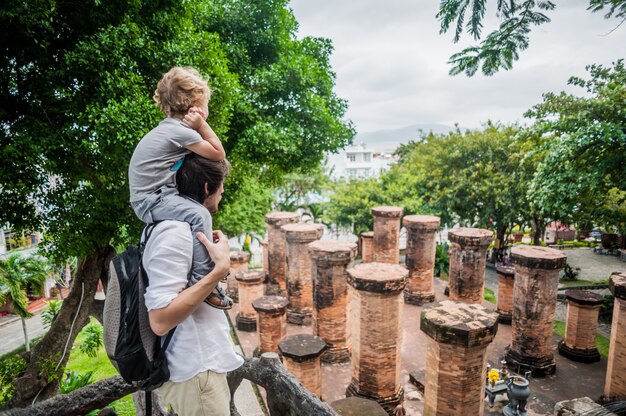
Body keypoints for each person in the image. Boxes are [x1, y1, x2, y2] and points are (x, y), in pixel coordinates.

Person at [143, 154, 243, 416]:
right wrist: (219, 270)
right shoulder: (174, 233)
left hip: (200, 374)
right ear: (208, 188)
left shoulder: (182, 229)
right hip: (198, 376)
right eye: (222, 187)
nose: (222, 194)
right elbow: (160, 319)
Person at [129, 66, 232, 309]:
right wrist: (202, 126)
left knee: (194, 212)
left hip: (155, 196)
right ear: (195, 105)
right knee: (199, 213)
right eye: (206, 104)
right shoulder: (180, 131)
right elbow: (218, 154)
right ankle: (204, 280)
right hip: (151, 200)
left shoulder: (171, 129)